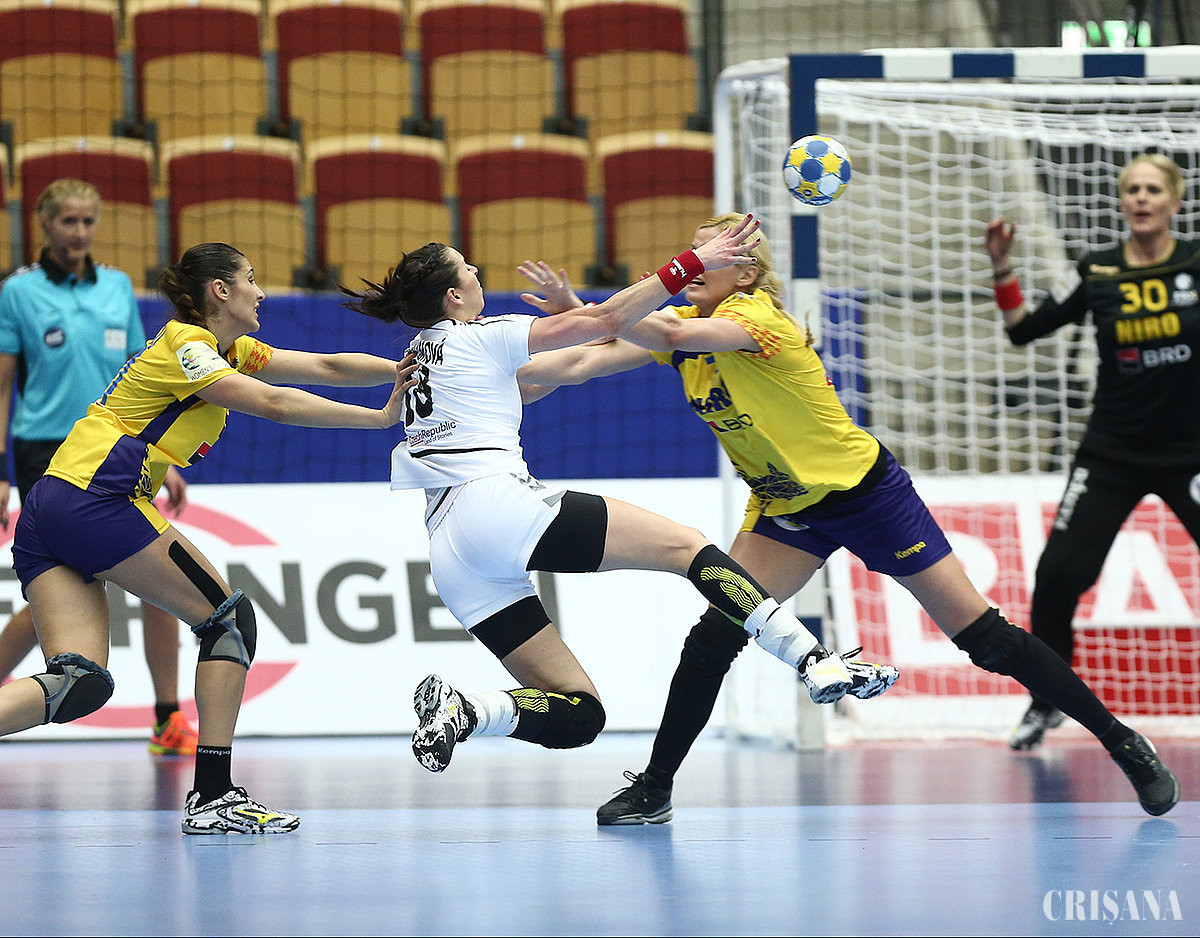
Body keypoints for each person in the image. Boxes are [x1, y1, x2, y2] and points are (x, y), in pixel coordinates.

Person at [514, 210, 1180, 821]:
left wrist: (594, 312)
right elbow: (583, 361)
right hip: (786, 508)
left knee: (987, 641)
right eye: (692, 253)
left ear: (744, 274)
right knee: (714, 636)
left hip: (865, 497)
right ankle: (655, 788)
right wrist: (505, 370)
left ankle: (1123, 742)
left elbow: (661, 329)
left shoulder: (755, 321)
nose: (694, 266)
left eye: (710, 257)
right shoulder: (684, 329)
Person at [340, 215, 899, 779]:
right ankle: (812, 660)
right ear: (454, 296)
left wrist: (584, 317)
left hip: (451, 552)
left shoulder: (425, 356)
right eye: (468, 268)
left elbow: (563, 366)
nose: (478, 269)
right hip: (495, 506)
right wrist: (691, 264)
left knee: (579, 713)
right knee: (687, 548)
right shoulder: (483, 335)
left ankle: (468, 711)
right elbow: (603, 321)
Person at [0, 242, 413, 834]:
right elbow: (274, 404)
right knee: (228, 622)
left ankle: (212, 796)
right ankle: (214, 796)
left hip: (53, 504)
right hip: (97, 499)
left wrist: (404, 370)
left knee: (78, 683)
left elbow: (325, 366)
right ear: (221, 290)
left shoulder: (229, 349)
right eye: (251, 278)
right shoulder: (190, 346)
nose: (261, 292)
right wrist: (379, 419)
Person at [985, 152, 1200, 751]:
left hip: (1192, 453)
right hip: (1113, 453)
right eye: (1132, 189)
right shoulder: (1098, 269)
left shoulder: (1195, 262)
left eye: (1152, 189)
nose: (1141, 198)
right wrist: (1002, 267)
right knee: (1056, 576)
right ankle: (1045, 701)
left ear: (1175, 201)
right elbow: (1023, 329)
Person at [0, 178, 197, 755]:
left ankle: (167, 718)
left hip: (119, 451)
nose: (80, 232)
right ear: (44, 224)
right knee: (62, 589)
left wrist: (164, 455)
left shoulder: (116, 287)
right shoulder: (18, 292)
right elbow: (3, 385)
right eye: (68, 221)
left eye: (88, 221)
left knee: (158, 579)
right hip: (47, 453)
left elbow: (144, 376)